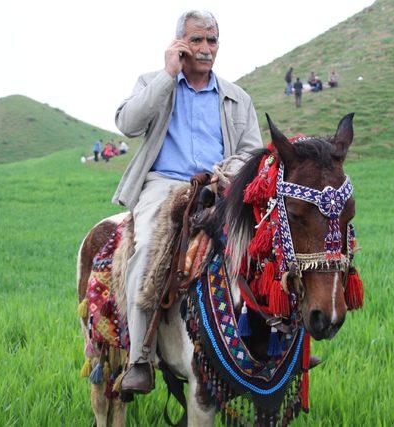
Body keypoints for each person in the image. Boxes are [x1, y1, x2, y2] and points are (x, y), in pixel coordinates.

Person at [112, 10, 263, 395]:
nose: (205, 49)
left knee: (269, 242)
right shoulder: (154, 82)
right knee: (147, 247)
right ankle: (139, 360)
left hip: (221, 185)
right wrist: (166, 75)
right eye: (196, 40)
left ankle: (276, 343)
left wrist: (226, 172)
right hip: (164, 185)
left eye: (211, 41)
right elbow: (127, 123)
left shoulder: (236, 97)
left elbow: (252, 153)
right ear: (180, 43)